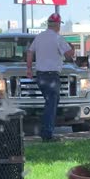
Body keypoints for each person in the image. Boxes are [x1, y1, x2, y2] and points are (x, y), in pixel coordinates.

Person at [26, 13, 75, 142]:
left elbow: (30, 52)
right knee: (51, 104)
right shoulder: (58, 38)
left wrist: (29, 69)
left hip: (40, 76)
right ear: (58, 25)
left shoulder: (39, 37)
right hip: (52, 77)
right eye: (59, 24)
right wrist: (71, 47)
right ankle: (47, 134)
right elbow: (69, 54)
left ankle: (46, 130)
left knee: (50, 103)